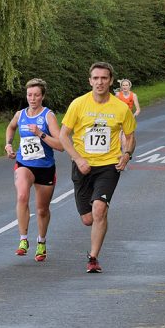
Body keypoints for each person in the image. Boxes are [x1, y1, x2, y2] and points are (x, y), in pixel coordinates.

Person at [59, 62, 137, 273]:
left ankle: (93, 258)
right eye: (96, 78)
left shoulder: (121, 108)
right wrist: (77, 159)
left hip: (108, 165)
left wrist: (127, 154)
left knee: (99, 210)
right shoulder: (78, 104)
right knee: (88, 219)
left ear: (111, 81)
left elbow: (130, 137)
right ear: (90, 81)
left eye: (104, 78)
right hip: (82, 165)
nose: (100, 82)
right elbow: (63, 135)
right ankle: (97, 217)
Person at [4, 78, 64, 262]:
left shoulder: (48, 116)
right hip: (24, 164)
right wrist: (8, 144)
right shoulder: (20, 114)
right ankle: (23, 240)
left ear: (43, 96)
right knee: (22, 196)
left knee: (42, 209)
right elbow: (11, 127)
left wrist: (40, 133)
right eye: (29, 94)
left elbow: (61, 145)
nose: (32, 98)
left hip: (45, 167)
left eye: (36, 95)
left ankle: (41, 242)